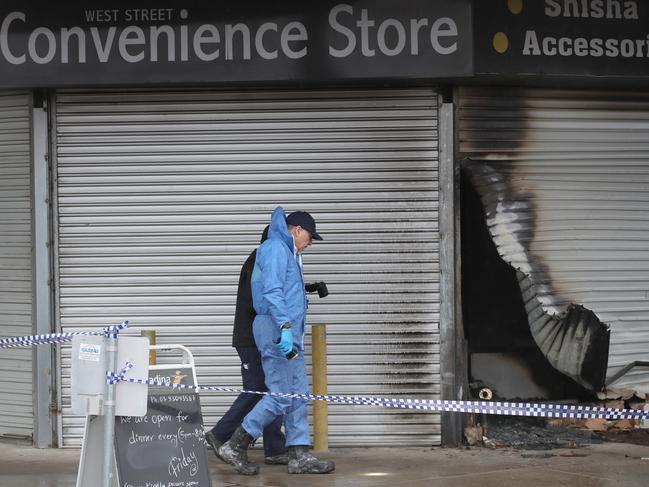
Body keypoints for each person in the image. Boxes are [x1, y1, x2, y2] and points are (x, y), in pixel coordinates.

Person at [216, 207, 335, 475]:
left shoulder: (289, 253)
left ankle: (299, 454)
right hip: (276, 328)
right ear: (297, 230)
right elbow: (271, 290)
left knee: (298, 394)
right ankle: (236, 444)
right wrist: (284, 326)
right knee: (281, 395)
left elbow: (287, 289)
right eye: (310, 236)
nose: (311, 242)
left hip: (289, 331)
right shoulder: (274, 248)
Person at [204, 226, 288, 466]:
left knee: (274, 390)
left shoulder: (262, 261)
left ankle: (274, 448)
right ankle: (219, 434)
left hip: (262, 337)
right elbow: (262, 300)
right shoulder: (258, 263)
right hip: (252, 339)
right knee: (256, 390)